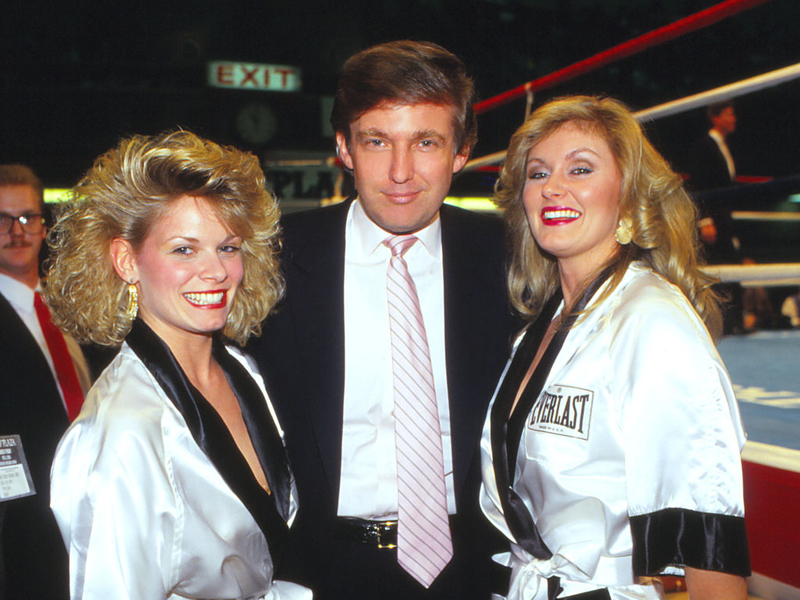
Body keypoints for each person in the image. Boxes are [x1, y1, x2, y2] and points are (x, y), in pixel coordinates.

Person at [250, 40, 517, 600]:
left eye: (425, 142)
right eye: (377, 141)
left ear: (461, 152)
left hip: (472, 571)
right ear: (344, 148)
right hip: (317, 574)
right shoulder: (271, 261)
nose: (401, 172)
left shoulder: (510, 257)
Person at [480, 96, 750, 599]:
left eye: (580, 168)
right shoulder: (545, 323)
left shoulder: (652, 323)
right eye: (537, 174)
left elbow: (709, 552)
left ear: (627, 197)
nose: (553, 187)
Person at [43, 131, 310, 600]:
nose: (217, 271)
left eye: (228, 247)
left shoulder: (245, 373)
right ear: (126, 260)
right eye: (184, 249)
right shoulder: (123, 431)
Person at [0, 164, 91, 599]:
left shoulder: (72, 307)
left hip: (91, 501)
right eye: (1, 219)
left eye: (27, 218)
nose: (16, 231)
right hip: (20, 525)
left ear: (43, 227)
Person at [686, 101, 740, 264]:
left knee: (731, 267)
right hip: (713, 219)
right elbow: (698, 183)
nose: (734, 119)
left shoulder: (725, 146)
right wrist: (704, 220)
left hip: (725, 218)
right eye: (729, 114)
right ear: (715, 118)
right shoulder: (704, 147)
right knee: (717, 268)